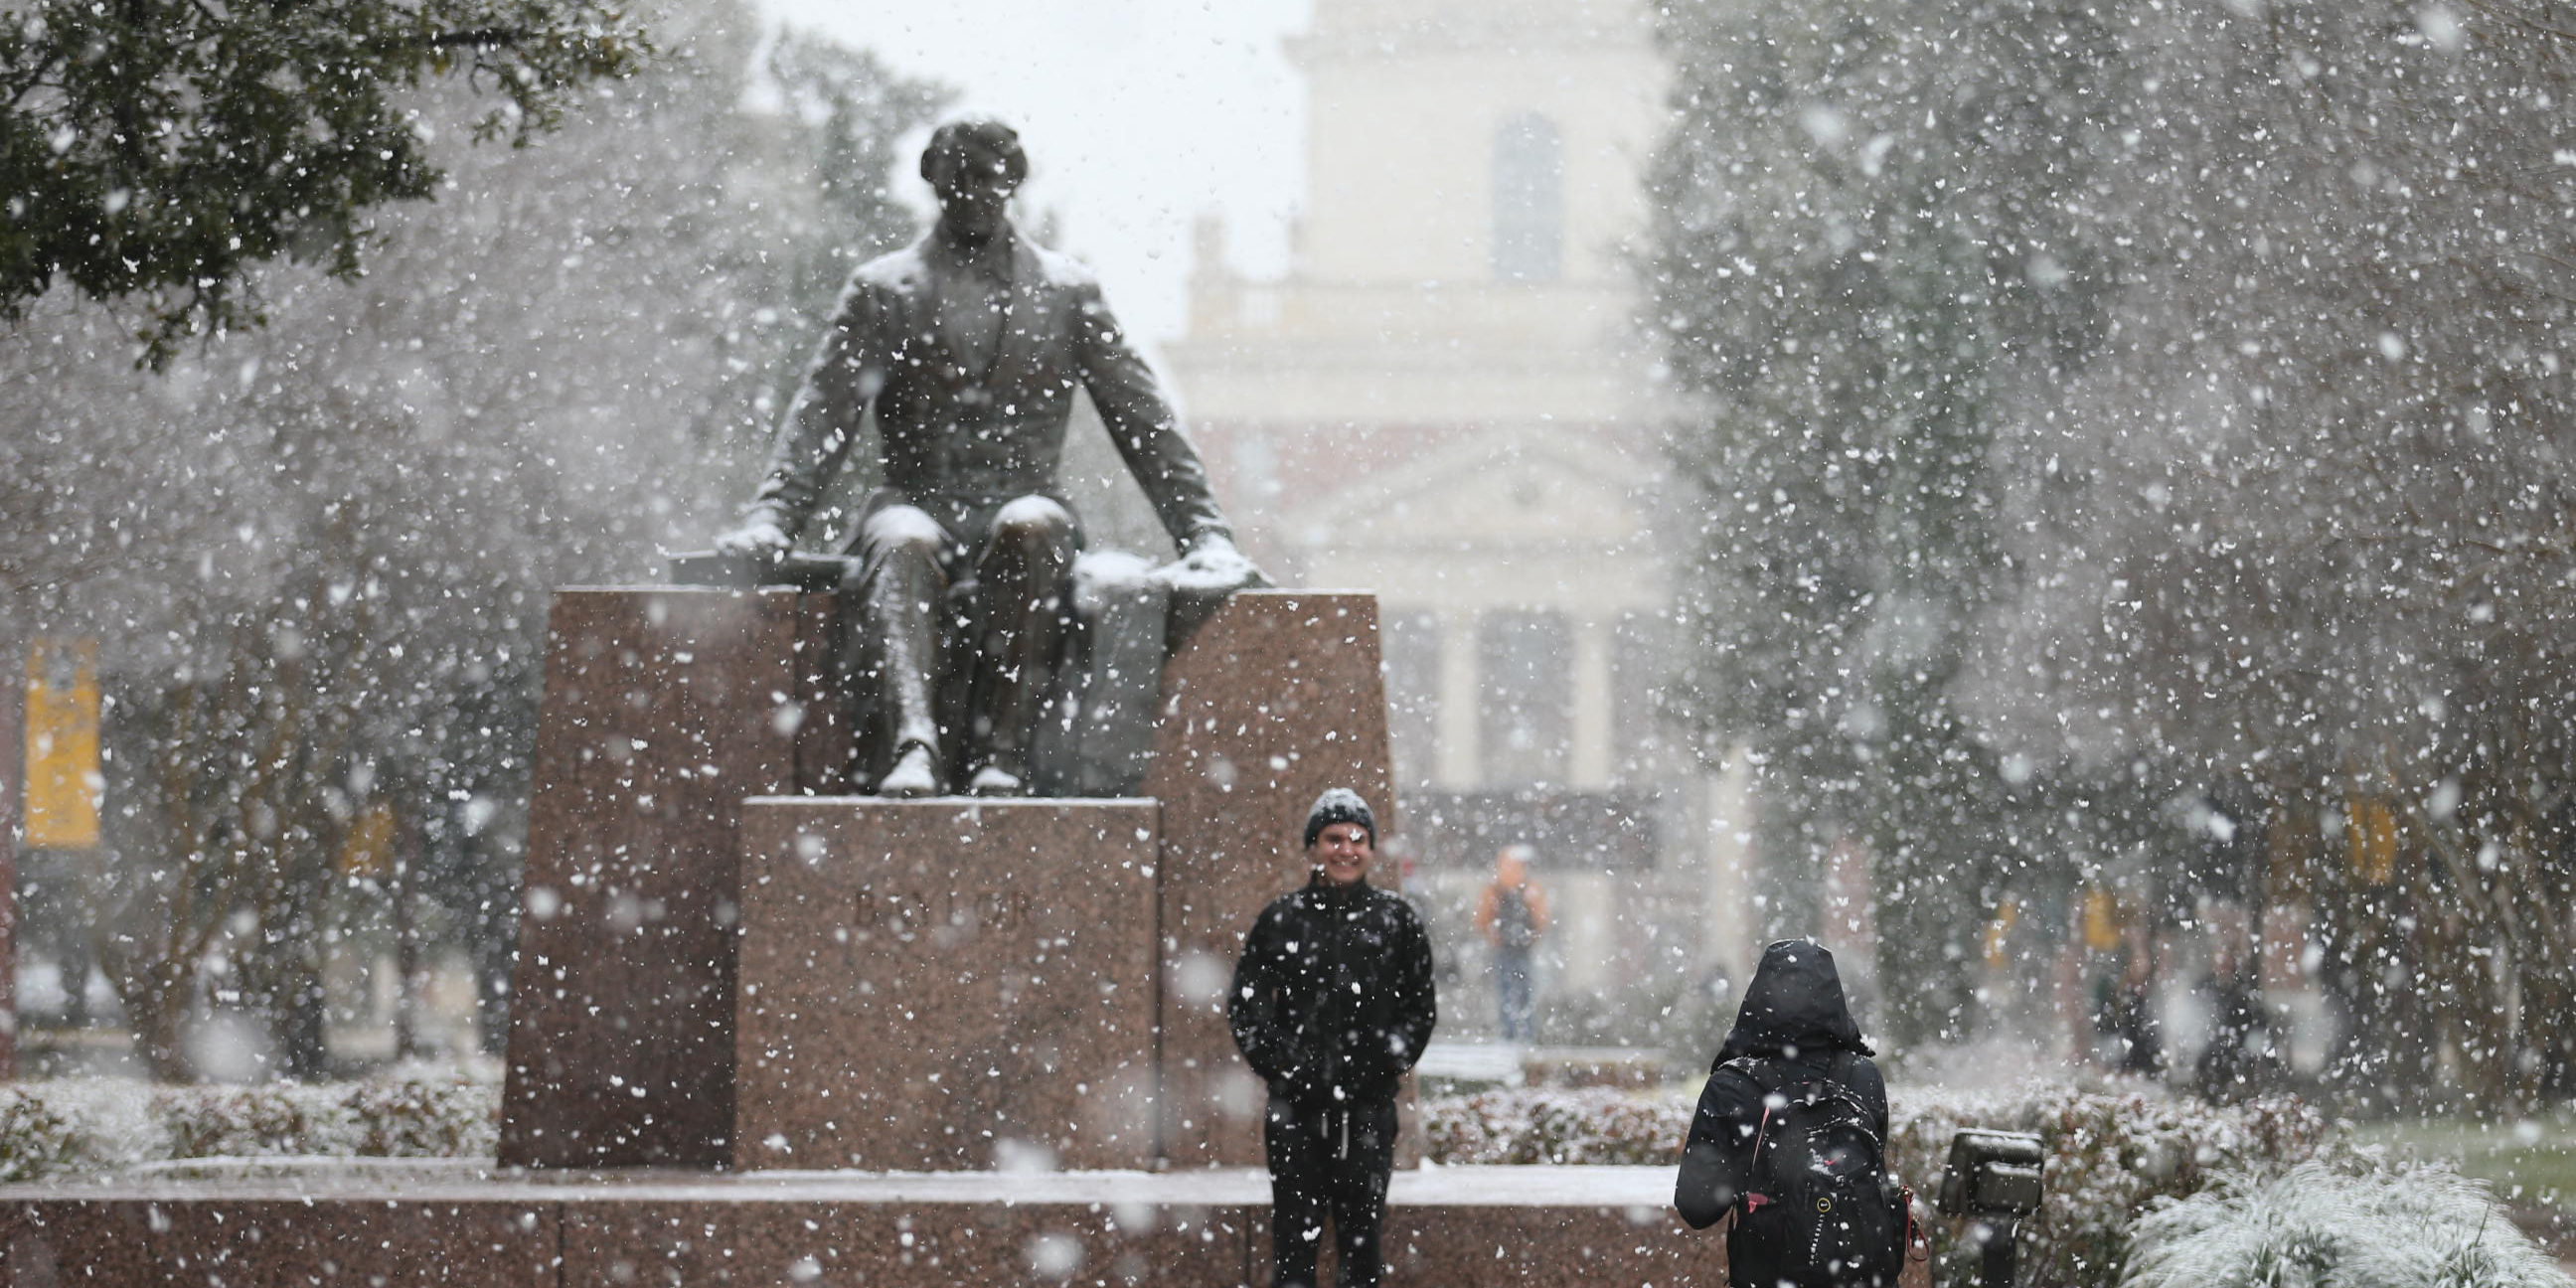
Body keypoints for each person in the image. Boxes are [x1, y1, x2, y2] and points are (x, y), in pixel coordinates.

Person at [713, 116, 1262, 798]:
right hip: (917, 500)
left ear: (1013, 184)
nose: (971, 193)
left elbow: (1143, 421)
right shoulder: (882, 290)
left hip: (1025, 496)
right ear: (933, 183)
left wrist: (1203, 533)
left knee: (1030, 526)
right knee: (903, 541)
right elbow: (822, 415)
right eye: (957, 179)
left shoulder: (1066, 292)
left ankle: (1003, 751)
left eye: (986, 179)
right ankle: (915, 743)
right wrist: (773, 517)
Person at [1229, 789, 1437, 1288]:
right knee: (1293, 1250)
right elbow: (1247, 1006)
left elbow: (1420, 1007)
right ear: (1313, 847)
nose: (1346, 849)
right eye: (1333, 838)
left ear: (1370, 848)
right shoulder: (1281, 920)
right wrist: (1283, 1066)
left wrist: (1389, 1064)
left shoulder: (1397, 921)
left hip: (1368, 1111)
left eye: (1357, 839)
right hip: (1296, 1113)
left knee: (1361, 1248)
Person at [1676, 939, 1907, 1288]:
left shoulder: (1732, 1086)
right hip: (1859, 1276)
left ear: (1758, 998)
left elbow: (1697, 1208)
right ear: (1833, 998)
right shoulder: (1863, 1076)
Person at [1471, 845, 1550, 1044]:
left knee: (1509, 991)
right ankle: (1523, 1034)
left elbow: (1481, 918)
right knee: (1522, 991)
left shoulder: (1496, 889)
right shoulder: (1527, 889)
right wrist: (1532, 936)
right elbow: (1541, 917)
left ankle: (1512, 1034)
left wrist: (1493, 935)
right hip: (1518, 947)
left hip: (1509, 947)